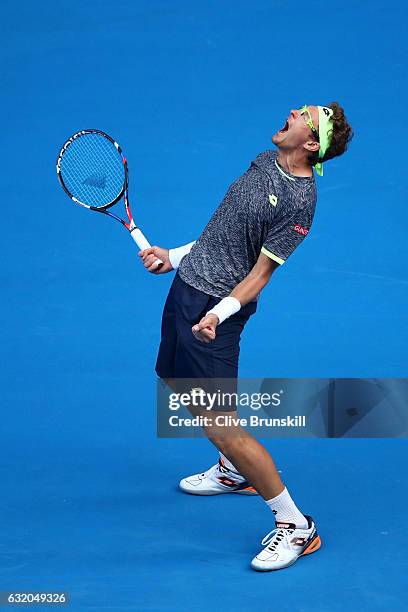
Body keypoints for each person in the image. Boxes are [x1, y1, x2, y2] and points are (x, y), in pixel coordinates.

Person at [139, 103, 353, 571]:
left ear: (311, 143)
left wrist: (218, 313)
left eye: (306, 115)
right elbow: (225, 232)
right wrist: (174, 257)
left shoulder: (300, 201)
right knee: (175, 383)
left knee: (222, 425)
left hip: (213, 310)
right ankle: (236, 472)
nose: (294, 111)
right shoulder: (262, 161)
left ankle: (295, 524)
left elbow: (259, 275)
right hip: (186, 289)